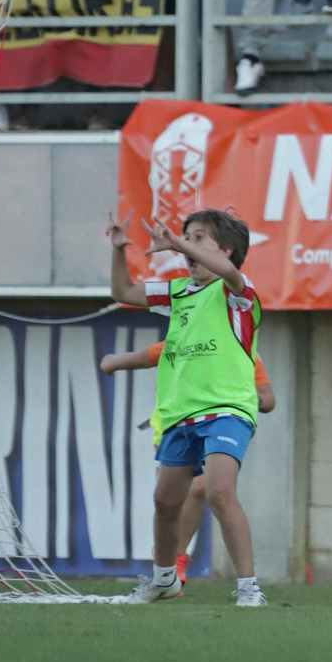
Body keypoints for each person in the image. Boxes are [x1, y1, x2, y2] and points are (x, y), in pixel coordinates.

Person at [107, 208, 267, 607]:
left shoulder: (237, 292)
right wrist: (118, 250)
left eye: (199, 239)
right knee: (165, 501)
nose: (187, 248)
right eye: (187, 237)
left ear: (226, 251)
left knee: (219, 490)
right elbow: (123, 292)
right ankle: (165, 580)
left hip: (228, 409)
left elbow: (229, 274)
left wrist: (177, 243)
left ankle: (249, 588)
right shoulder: (177, 292)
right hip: (180, 414)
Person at [101, 342, 277, 584]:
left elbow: (268, 399)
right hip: (176, 425)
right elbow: (144, 357)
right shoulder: (184, 341)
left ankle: (178, 561)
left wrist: (245, 399)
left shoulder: (242, 348)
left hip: (220, 424)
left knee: (203, 488)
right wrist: (112, 362)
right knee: (168, 499)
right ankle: (167, 565)